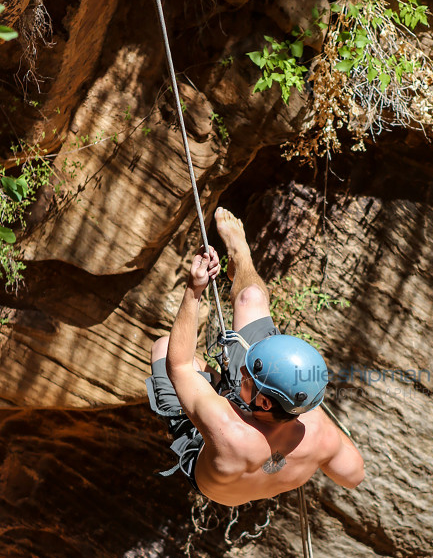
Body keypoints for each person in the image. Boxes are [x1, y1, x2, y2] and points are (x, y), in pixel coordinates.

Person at [146, 208, 364, 506]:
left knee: (163, 346)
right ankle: (241, 254)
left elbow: (179, 364)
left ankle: (211, 384)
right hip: (269, 424)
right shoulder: (322, 435)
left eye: (247, 373)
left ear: (263, 400)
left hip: (206, 456)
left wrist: (194, 289)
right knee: (252, 299)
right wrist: (306, 409)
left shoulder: (225, 427)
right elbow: (353, 477)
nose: (242, 368)